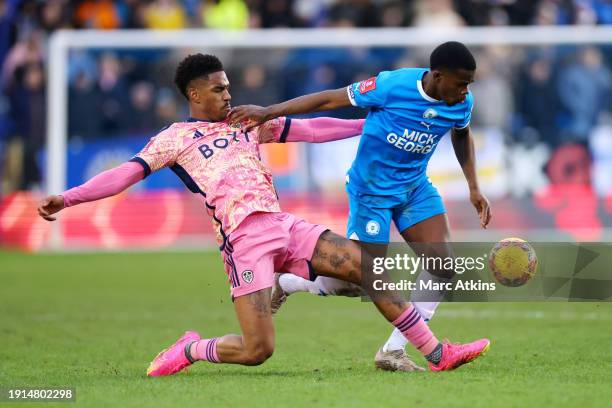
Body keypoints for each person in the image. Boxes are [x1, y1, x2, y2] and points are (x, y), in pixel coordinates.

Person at [37, 53, 490, 376]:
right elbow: (124, 175)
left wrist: (372, 124)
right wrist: (68, 197)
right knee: (258, 350)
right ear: (194, 94)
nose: (228, 94)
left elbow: (311, 129)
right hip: (243, 241)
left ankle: (437, 354)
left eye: (229, 86)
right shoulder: (174, 138)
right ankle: (192, 348)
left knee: (370, 268)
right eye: (219, 89)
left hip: (283, 224)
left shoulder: (246, 122)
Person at [229, 41, 492, 372]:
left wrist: (473, 186)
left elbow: (461, 134)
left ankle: (394, 351)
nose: (466, 90)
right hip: (371, 193)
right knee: (362, 279)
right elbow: (328, 98)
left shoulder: (460, 102)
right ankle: (288, 282)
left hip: (414, 189)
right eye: (461, 82)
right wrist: (270, 111)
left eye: (469, 83)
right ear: (438, 76)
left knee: (442, 265)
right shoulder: (390, 86)